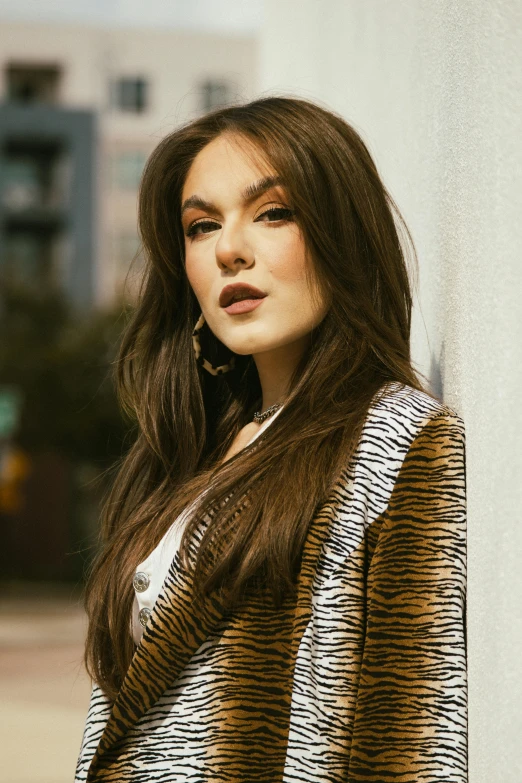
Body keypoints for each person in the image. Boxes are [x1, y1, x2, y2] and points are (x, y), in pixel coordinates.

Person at [75, 96, 467, 782]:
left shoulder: (394, 440)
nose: (229, 249)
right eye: (201, 226)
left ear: (340, 233)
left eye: (273, 213)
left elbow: (411, 741)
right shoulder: (191, 456)